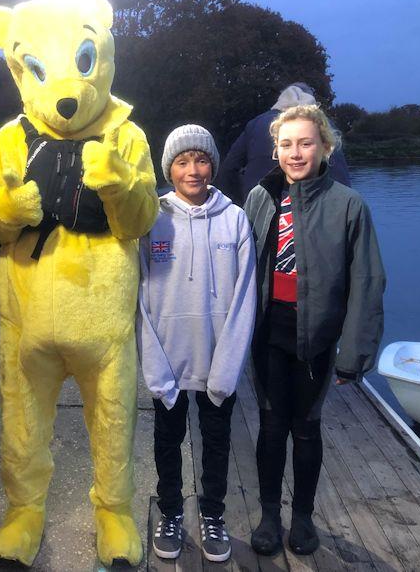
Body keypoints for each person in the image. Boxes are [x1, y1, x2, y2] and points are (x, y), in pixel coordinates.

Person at [244, 104, 385, 556]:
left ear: (325, 146)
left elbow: (366, 280)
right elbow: (235, 266)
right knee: (269, 427)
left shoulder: (348, 205)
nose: (296, 153)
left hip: (316, 338)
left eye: (306, 143)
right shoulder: (261, 198)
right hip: (268, 332)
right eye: (286, 145)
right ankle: (269, 513)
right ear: (276, 150)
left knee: (305, 429)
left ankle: (302, 516)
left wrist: (355, 352)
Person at [138, 125, 257, 563]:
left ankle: (213, 515)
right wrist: (154, 367)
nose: (193, 170)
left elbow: (245, 298)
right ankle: (170, 512)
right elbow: (137, 299)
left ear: (214, 164)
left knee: (216, 440)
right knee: (167, 442)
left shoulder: (235, 219)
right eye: (182, 161)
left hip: (215, 362)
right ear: (168, 168)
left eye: (201, 160)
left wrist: (228, 368)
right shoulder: (149, 217)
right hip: (168, 360)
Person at [219, 82, 351, 207]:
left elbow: (228, 169)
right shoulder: (325, 126)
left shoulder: (255, 124)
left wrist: (239, 204)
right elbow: (341, 178)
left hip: (257, 211)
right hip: (316, 212)